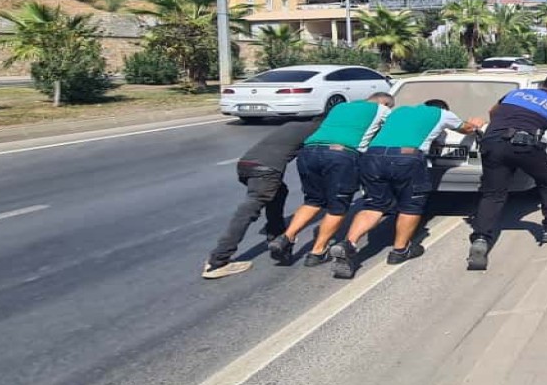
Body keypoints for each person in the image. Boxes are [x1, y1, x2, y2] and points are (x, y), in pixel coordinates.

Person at [329, 99, 484, 278]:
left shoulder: (399, 111)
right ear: (443, 108)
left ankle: (349, 244)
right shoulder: (442, 114)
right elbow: (465, 129)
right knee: (411, 205)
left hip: (373, 156)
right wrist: (475, 124)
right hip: (407, 158)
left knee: (374, 206)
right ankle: (400, 250)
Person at [268, 93, 393, 267]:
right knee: (338, 206)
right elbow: (391, 130)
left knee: (313, 201)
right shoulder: (382, 110)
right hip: (341, 155)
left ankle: (286, 237)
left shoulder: (340, 107)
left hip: (309, 151)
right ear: (385, 103)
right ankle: (318, 252)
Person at [467, 72, 547, 271]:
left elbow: (493, 112)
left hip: (492, 143)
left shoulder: (516, 93)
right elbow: (543, 125)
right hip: (524, 145)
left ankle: (480, 239)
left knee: (493, 194)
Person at [201, 116, 324, 279]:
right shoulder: (318, 131)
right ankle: (218, 261)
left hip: (245, 165)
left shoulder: (293, 124)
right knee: (249, 210)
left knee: (279, 192)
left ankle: (275, 235)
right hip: (266, 170)